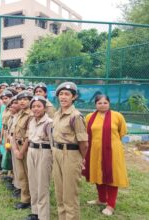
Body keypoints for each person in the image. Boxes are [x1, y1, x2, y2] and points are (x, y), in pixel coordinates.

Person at [83, 95, 128, 216]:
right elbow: (87, 133)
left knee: (112, 176)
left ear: (109, 103)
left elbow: (122, 132)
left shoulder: (117, 116)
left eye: (105, 103)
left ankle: (111, 205)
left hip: (113, 151)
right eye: (99, 103)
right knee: (98, 173)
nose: (102, 105)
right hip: (95, 151)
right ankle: (102, 200)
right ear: (95, 104)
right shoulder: (89, 117)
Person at [52, 82, 88, 220]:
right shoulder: (57, 114)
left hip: (71, 155)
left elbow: (84, 143)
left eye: (67, 94)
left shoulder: (76, 116)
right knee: (59, 193)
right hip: (57, 153)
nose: (63, 97)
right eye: (61, 94)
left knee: (70, 196)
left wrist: (81, 159)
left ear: (74, 97)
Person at [26, 96, 53, 220]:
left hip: (44, 152)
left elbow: (53, 144)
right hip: (31, 150)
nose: (35, 109)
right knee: (33, 182)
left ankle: (43, 216)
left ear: (44, 108)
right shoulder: (31, 121)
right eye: (33, 106)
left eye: (39, 106)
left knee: (42, 185)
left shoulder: (49, 123)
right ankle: (35, 211)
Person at [12, 91, 33, 210]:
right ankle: (25, 198)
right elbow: (14, 133)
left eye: (25, 99)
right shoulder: (19, 114)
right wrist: (15, 148)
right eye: (20, 99)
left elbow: (28, 137)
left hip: (26, 148)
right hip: (18, 147)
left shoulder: (30, 115)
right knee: (21, 174)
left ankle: (30, 199)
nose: (22, 101)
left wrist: (21, 151)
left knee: (28, 173)